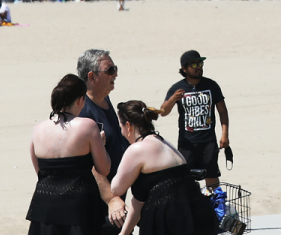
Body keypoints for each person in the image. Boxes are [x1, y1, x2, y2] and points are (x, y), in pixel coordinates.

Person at [110, 101, 220, 235]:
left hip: (171, 223)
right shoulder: (164, 142)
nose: (121, 132)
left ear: (128, 126)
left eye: (120, 127)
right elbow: (138, 201)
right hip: (197, 217)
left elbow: (116, 188)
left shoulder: (137, 149)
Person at [27, 74, 111, 235]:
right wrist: (102, 145)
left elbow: (40, 172)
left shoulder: (38, 129)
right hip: (79, 207)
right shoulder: (87, 126)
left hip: (45, 206)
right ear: (80, 100)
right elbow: (104, 168)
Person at [159, 50, 230, 189]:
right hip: (187, 143)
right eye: (194, 64)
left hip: (208, 142)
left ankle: (214, 202)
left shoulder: (211, 85)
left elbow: (222, 111)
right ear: (184, 69)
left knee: (211, 176)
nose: (199, 67)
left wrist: (225, 135)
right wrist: (173, 99)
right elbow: (163, 112)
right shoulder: (177, 88)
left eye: (200, 63)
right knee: (187, 179)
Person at [77, 50, 130, 228]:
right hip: (99, 203)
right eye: (110, 70)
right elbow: (89, 163)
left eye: (115, 69)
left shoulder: (104, 98)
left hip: (116, 194)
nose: (115, 74)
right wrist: (111, 199)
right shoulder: (83, 111)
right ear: (92, 76)